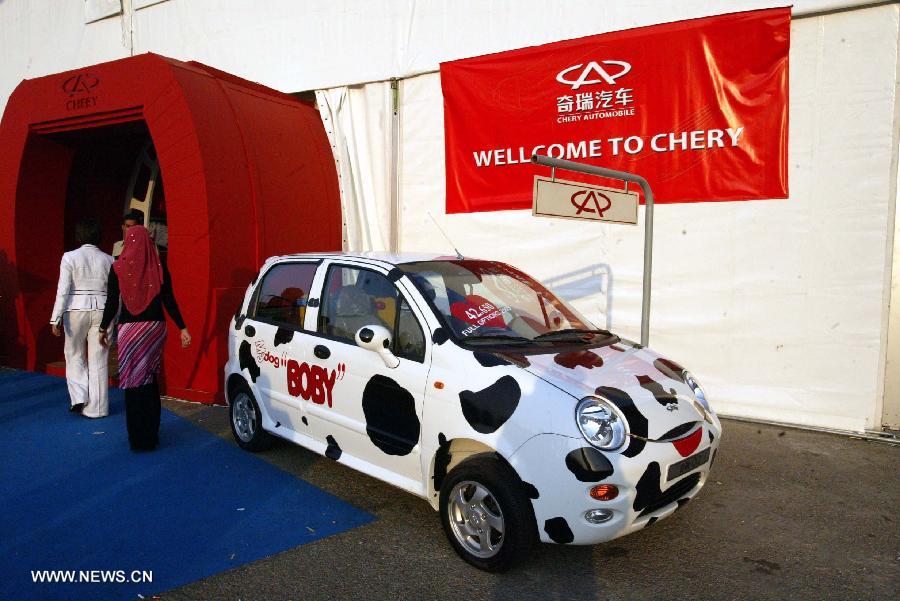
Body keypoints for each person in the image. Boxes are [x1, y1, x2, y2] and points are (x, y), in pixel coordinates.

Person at [99, 225, 191, 451]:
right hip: (154, 328)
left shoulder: (118, 267)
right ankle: (152, 435)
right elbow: (169, 298)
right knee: (149, 379)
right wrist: (182, 327)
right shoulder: (158, 266)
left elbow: (112, 302)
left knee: (132, 381)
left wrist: (103, 329)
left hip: (129, 330)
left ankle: (137, 438)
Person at [50, 218, 114, 417]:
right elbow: (114, 293)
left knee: (74, 354)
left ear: (79, 236)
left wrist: (55, 317)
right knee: (99, 358)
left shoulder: (69, 257)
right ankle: (98, 409)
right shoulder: (110, 259)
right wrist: (116, 318)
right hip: (103, 310)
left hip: (76, 309)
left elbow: (63, 289)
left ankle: (79, 397)